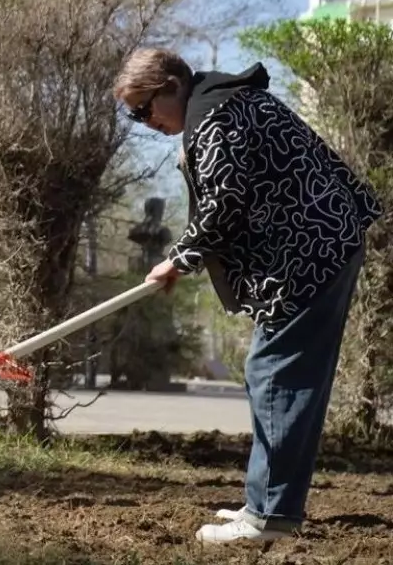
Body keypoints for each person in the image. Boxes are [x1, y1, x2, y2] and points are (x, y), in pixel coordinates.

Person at [112, 49, 384, 543]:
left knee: (275, 373)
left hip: (309, 250)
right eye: (134, 115)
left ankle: (270, 516)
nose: (144, 122)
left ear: (171, 86)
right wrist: (185, 257)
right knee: (276, 373)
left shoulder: (215, 117)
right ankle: (267, 502)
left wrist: (178, 259)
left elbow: (226, 201)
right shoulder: (223, 103)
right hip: (320, 243)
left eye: (144, 109)